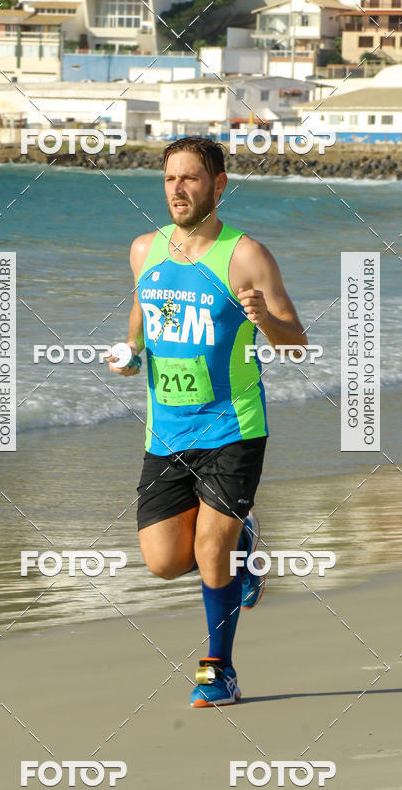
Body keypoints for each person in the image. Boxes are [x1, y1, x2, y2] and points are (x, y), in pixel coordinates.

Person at [108, 137, 307, 707]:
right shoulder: (145, 249)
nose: (178, 189)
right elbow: (145, 305)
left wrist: (266, 319)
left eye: (191, 178)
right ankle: (244, 538)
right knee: (164, 561)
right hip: (166, 432)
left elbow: (296, 345)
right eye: (170, 179)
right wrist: (130, 350)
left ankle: (217, 672)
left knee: (210, 551)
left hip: (233, 427)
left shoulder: (246, 256)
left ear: (218, 185)